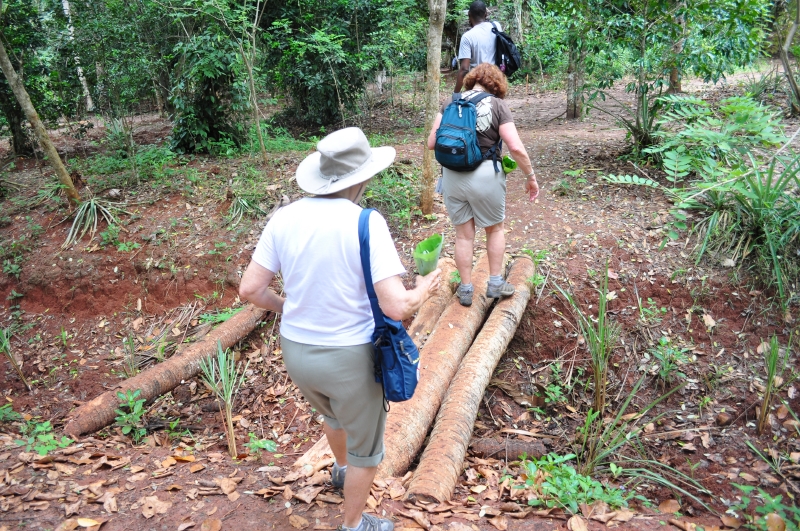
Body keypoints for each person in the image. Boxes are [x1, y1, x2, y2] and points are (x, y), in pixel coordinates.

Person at [239, 127, 441, 531]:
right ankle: (354, 524)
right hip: (349, 359)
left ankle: (341, 469)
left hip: (297, 352)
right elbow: (396, 306)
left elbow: (250, 289)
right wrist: (424, 288)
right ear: (363, 177)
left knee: (333, 414)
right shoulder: (366, 222)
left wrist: (288, 308)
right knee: (368, 449)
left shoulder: (284, 218)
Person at [428, 63, 539, 307]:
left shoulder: (451, 101)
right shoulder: (497, 105)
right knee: (495, 229)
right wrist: (530, 176)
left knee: (463, 235)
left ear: (472, 79)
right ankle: (496, 283)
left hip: (452, 177)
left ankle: (466, 289)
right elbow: (515, 147)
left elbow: (431, 143)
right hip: (486, 176)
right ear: (497, 85)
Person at [454, 0, 500, 94]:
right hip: (495, 82)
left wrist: (456, 94)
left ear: (469, 14)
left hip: (477, 84)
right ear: (486, 14)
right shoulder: (496, 27)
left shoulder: (467, 37)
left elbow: (464, 69)